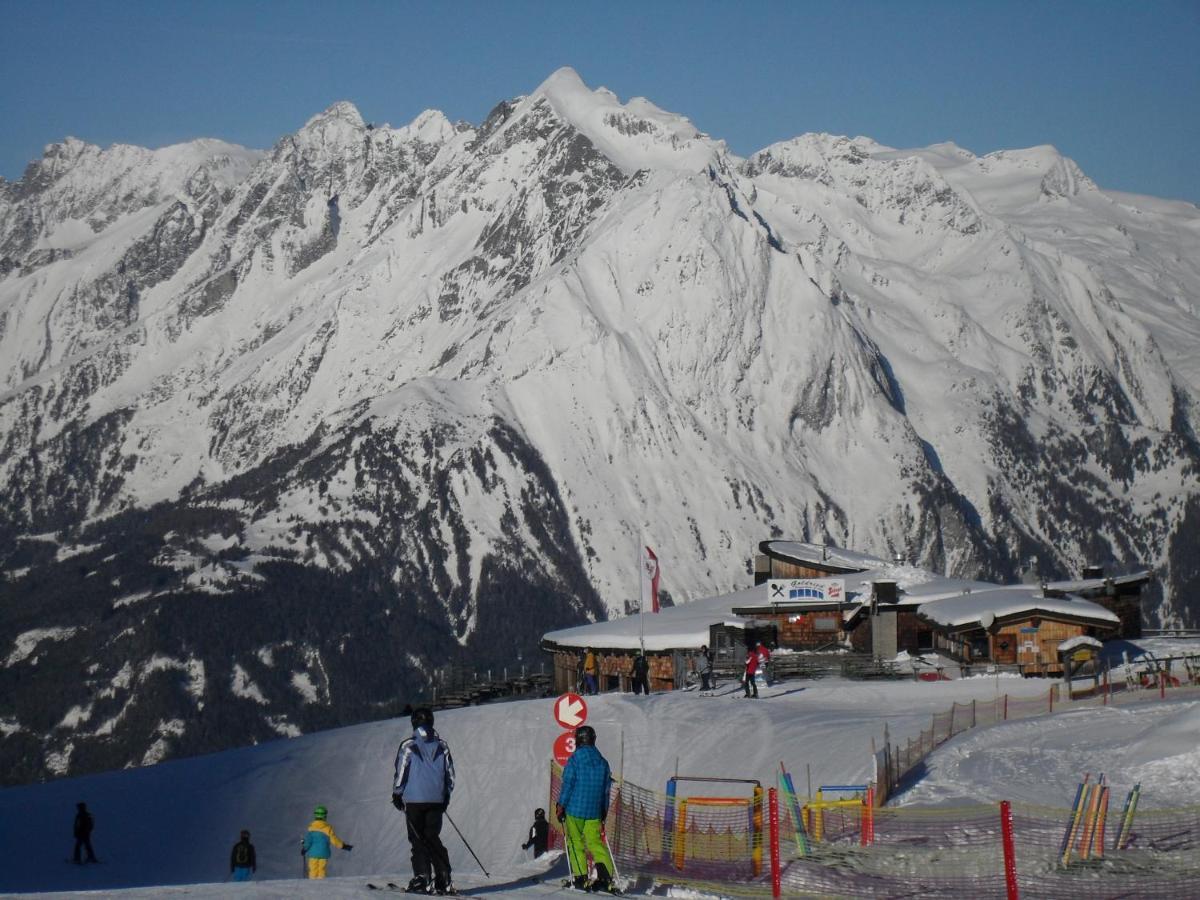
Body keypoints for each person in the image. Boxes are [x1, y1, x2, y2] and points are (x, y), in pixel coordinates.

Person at [393, 707, 456, 895]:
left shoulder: (408, 745)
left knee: (417, 839)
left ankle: (422, 878)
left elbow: (401, 771)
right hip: (436, 800)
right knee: (432, 837)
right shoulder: (442, 746)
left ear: (414, 722)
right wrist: (445, 796)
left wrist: (397, 793)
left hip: (414, 800)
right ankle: (444, 877)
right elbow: (450, 775)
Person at [556, 724, 617, 893]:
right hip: (594, 811)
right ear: (593, 740)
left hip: (575, 809)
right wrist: (603, 810)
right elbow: (606, 789)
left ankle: (580, 877)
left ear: (578, 740)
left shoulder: (575, 760)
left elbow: (568, 784)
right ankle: (605, 878)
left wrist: (561, 805)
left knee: (575, 842)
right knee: (595, 842)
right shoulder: (603, 762)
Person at [301, 805, 352, 879]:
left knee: (313, 869)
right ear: (325, 816)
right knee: (322, 869)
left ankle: (312, 884)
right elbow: (334, 840)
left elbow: (308, 842)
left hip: (313, 853)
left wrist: (304, 848)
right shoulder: (328, 828)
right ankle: (321, 883)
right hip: (323, 853)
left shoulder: (311, 829)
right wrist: (343, 846)